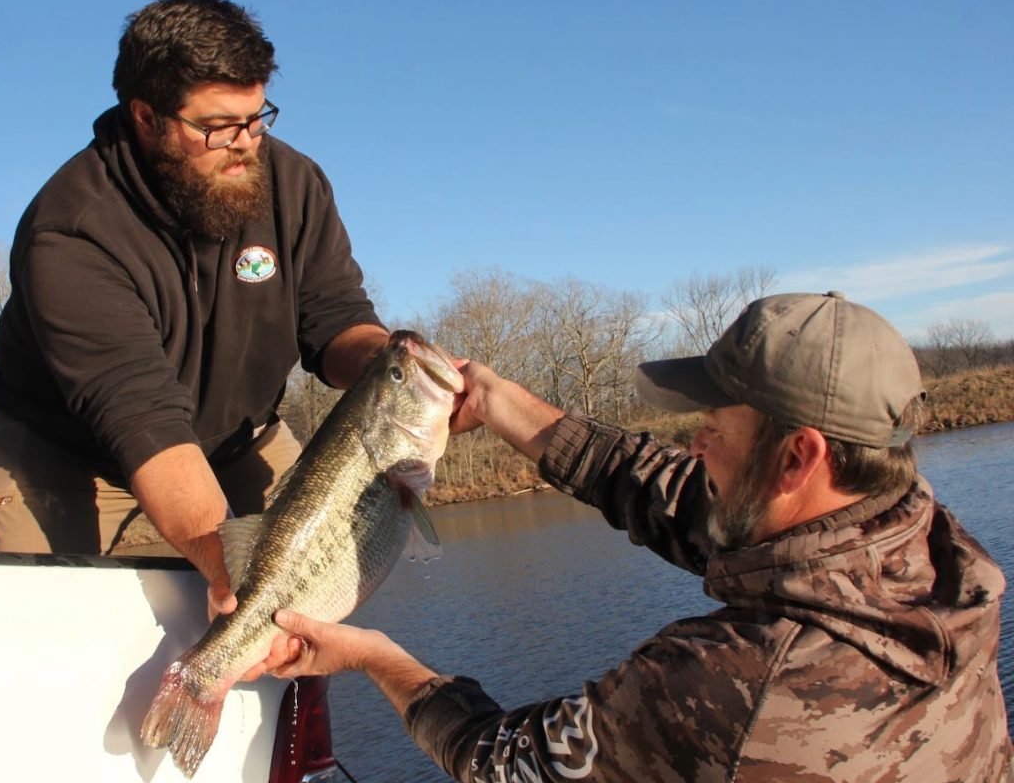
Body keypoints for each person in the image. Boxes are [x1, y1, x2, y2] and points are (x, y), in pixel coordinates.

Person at [265, 291, 1013, 781]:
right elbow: (668, 492)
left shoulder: (730, 685)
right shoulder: (941, 553)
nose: (695, 446)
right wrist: (498, 403)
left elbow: (503, 765)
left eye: (714, 430)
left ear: (798, 458)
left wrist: (378, 657)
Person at [0, 0, 388, 615]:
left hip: (237, 439)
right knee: (35, 622)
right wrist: (238, 585)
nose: (247, 143)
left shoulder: (293, 183)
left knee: (306, 606)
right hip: (71, 453)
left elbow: (334, 318)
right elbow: (142, 418)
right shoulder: (71, 232)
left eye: (258, 117)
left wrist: (394, 368)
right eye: (218, 126)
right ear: (146, 117)